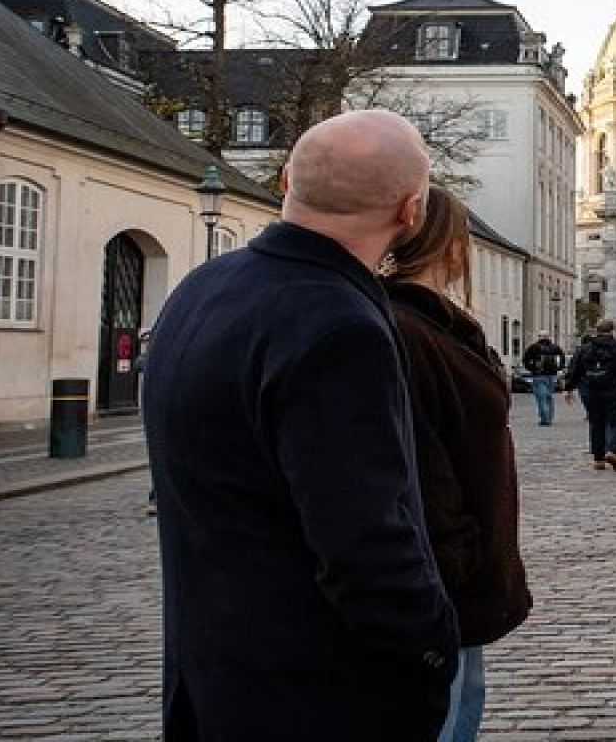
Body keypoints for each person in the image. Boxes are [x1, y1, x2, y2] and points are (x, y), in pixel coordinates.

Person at [142, 109, 458, 741]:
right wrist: (429, 646)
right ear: (411, 211)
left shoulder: (202, 285)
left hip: (212, 666)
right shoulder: (341, 326)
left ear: (287, 180)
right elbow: (364, 534)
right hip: (314, 686)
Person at [384, 187, 533, 742]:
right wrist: (460, 554)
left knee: (463, 698)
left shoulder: (439, 322)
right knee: (443, 711)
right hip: (447, 571)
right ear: (449, 246)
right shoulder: (408, 328)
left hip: (462, 567)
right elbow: (425, 463)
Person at [567, 320, 616, 471]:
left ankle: (598, 458)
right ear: (613, 330)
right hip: (614, 390)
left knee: (596, 422)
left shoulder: (584, 349)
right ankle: (614, 451)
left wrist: (569, 387)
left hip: (591, 391)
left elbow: (575, 368)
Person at [521, 331, 567, 426]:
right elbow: (562, 358)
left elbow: (525, 359)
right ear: (548, 337)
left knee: (541, 397)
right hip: (552, 375)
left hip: (538, 375)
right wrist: (559, 368)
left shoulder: (534, 347)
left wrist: (531, 368)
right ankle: (549, 417)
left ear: (539, 337)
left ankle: (545, 418)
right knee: (549, 396)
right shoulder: (554, 347)